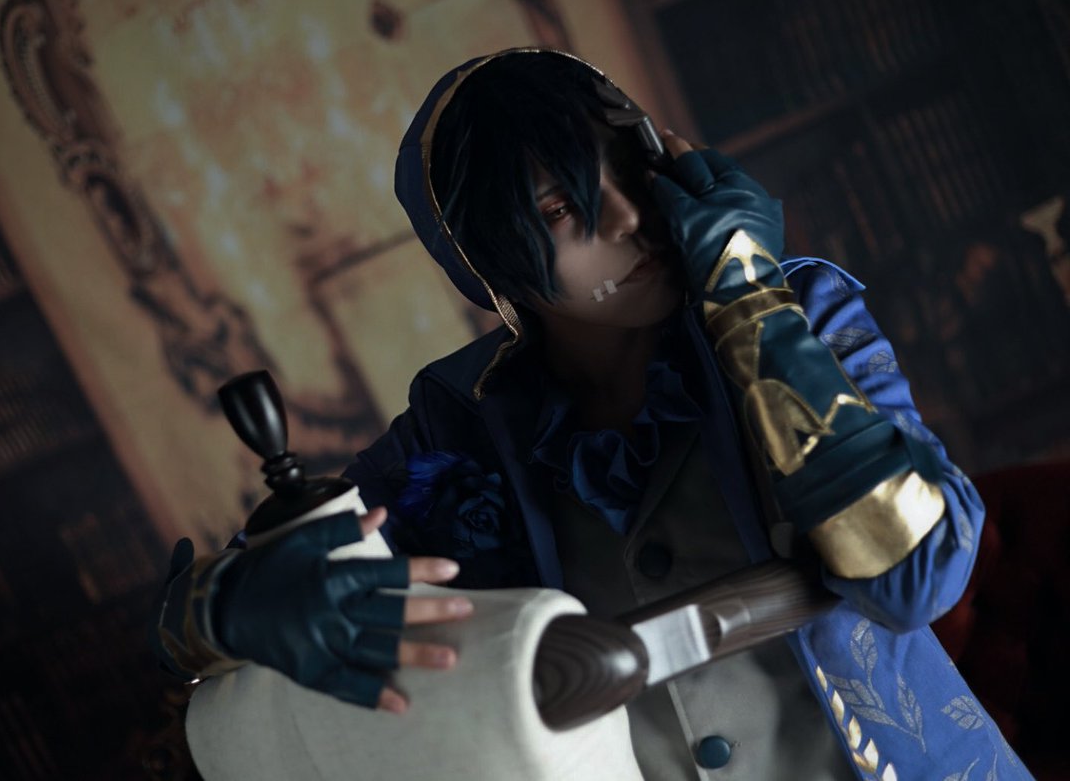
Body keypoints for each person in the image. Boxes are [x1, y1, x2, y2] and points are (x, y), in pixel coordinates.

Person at [152, 48, 1031, 779]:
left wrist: (748, 296)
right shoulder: (463, 421)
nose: (632, 217)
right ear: (491, 261)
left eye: (636, 170)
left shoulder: (797, 309)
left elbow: (919, 576)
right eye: (562, 207)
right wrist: (235, 606)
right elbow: (229, 607)